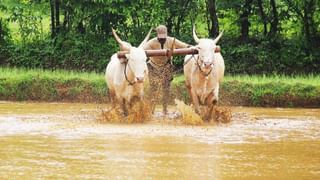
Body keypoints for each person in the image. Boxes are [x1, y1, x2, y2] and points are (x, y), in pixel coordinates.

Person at [143, 25, 191, 115]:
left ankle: (165, 109)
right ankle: (150, 109)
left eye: (163, 38)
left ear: (166, 34)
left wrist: (195, 48)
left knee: (166, 89)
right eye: (160, 38)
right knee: (153, 88)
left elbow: (185, 46)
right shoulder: (151, 42)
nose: (162, 39)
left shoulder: (172, 40)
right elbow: (141, 50)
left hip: (167, 66)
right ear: (157, 35)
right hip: (153, 66)